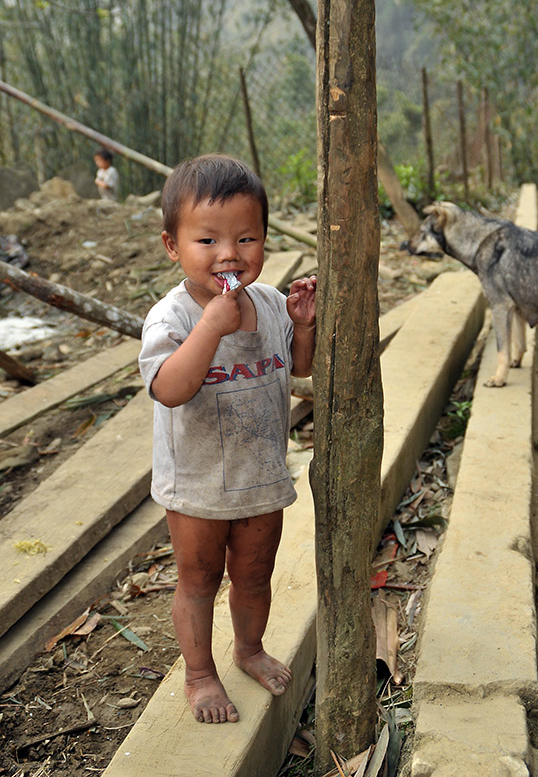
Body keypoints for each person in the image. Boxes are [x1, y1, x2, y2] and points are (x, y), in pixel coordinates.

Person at [138, 153, 316, 724]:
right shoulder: (172, 319)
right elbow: (168, 389)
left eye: (246, 238)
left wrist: (303, 325)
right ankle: (199, 675)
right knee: (198, 580)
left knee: (254, 575)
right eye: (207, 240)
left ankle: (249, 649)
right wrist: (212, 326)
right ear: (172, 246)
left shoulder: (269, 305)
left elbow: (301, 368)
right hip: (196, 485)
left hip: (260, 477)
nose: (229, 254)